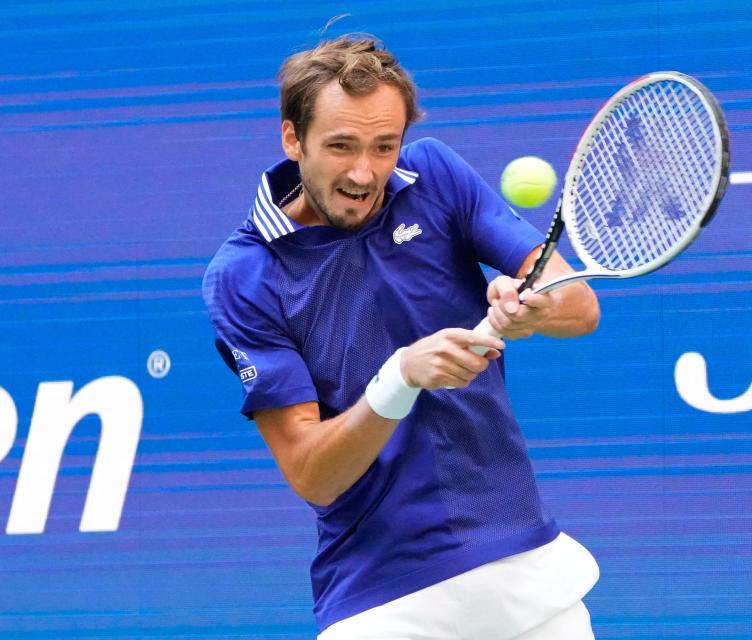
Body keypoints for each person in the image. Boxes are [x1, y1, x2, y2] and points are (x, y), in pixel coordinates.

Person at [202, 34, 602, 640]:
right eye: (341, 146)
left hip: (524, 569)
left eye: (384, 146)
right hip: (382, 600)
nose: (365, 172)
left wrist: (532, 310)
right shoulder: (245, 275)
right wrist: (400, 377)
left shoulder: (436, 174)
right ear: (292, 138)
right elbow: (313, 473)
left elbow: (578, 303)